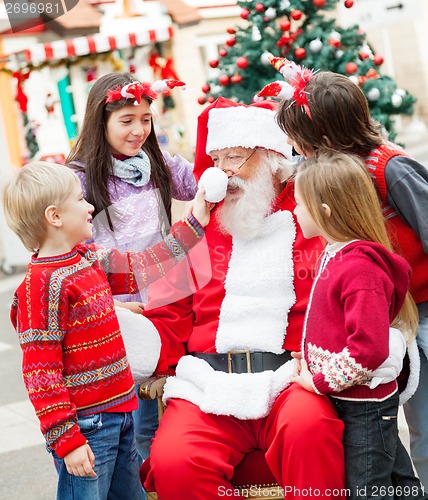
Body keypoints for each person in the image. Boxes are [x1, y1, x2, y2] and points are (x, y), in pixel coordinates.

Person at [140, 96, 346, 499]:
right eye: (216, 160)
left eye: (235, 157)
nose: (222, 173)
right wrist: (137, 347)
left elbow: (346, 294)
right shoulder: (198, 229)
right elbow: (168, 312)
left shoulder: (309, 217)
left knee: (311, 431)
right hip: (207, 384)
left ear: (271, 156)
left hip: (290, 379)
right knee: (174, 462)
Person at [2, 161, 210, 500]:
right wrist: (67, 441)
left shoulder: (88, 259)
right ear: (55, 216)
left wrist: (194, 223)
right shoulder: (40, 287)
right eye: (80, 201)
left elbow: (143, 267)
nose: (90, 207)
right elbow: (42, 372)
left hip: (120, 413)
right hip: (86, 429)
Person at [270, 62, 428, 488]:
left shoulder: (389, 169)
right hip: (394, 315)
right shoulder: (333, 178)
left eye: (299, 144)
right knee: (415, 429)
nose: (296, 152)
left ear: (324, 139)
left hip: (424, 310)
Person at [66, 72, 197, 466]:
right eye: (126, 120)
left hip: (166, 299)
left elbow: (193, 189)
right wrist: (112, 307)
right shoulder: (80, 178)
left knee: (170, 400)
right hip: (118, 310)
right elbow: (72, 255)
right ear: (99, 121)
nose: (139, 129)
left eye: (146, 118)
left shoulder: (156, 160)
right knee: (134, 417)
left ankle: (168, 478)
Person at [290, 151, 426, 499]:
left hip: (363, 408)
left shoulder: (359, 269)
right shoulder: (336, 253)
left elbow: (369, 348)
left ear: (324, 211)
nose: (294, 211)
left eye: (299, 205)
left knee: (368, 489)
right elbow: (336, 323)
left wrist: (318, 380)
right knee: (399, 482)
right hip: (356, 401)